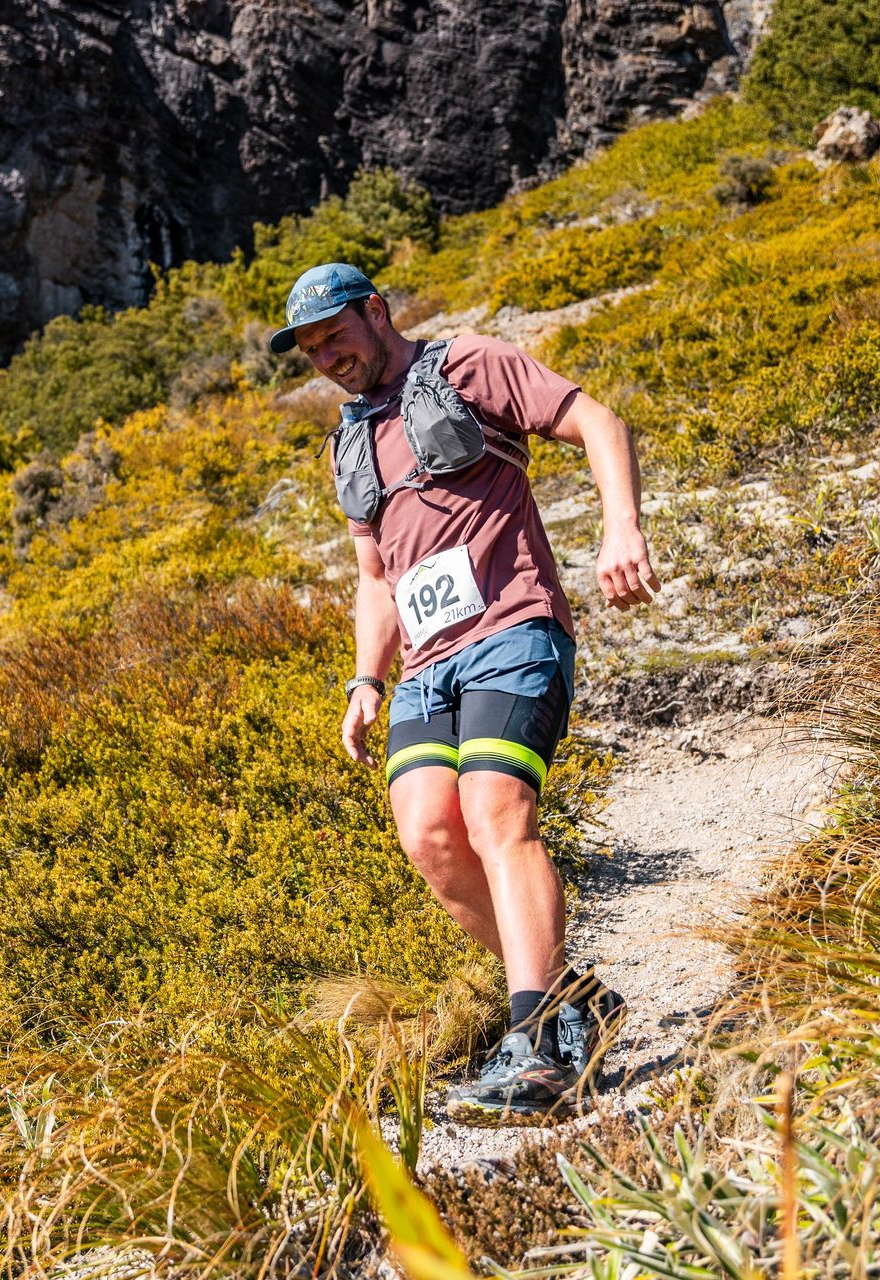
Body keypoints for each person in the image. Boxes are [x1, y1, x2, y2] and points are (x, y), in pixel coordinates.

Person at [270, 262, 662, 1124]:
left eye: (336, 335)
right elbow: (375, 580)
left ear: (376, 312)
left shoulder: (465, 366)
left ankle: (536, 1050)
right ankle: (571, 1002)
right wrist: (366, 680)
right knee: (431, 838)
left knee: (494, 814)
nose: (327, 357)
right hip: (424, 668)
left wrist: (620, 527)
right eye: (310, 350)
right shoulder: (349, 442)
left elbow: (596, 420)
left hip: (515, 631)